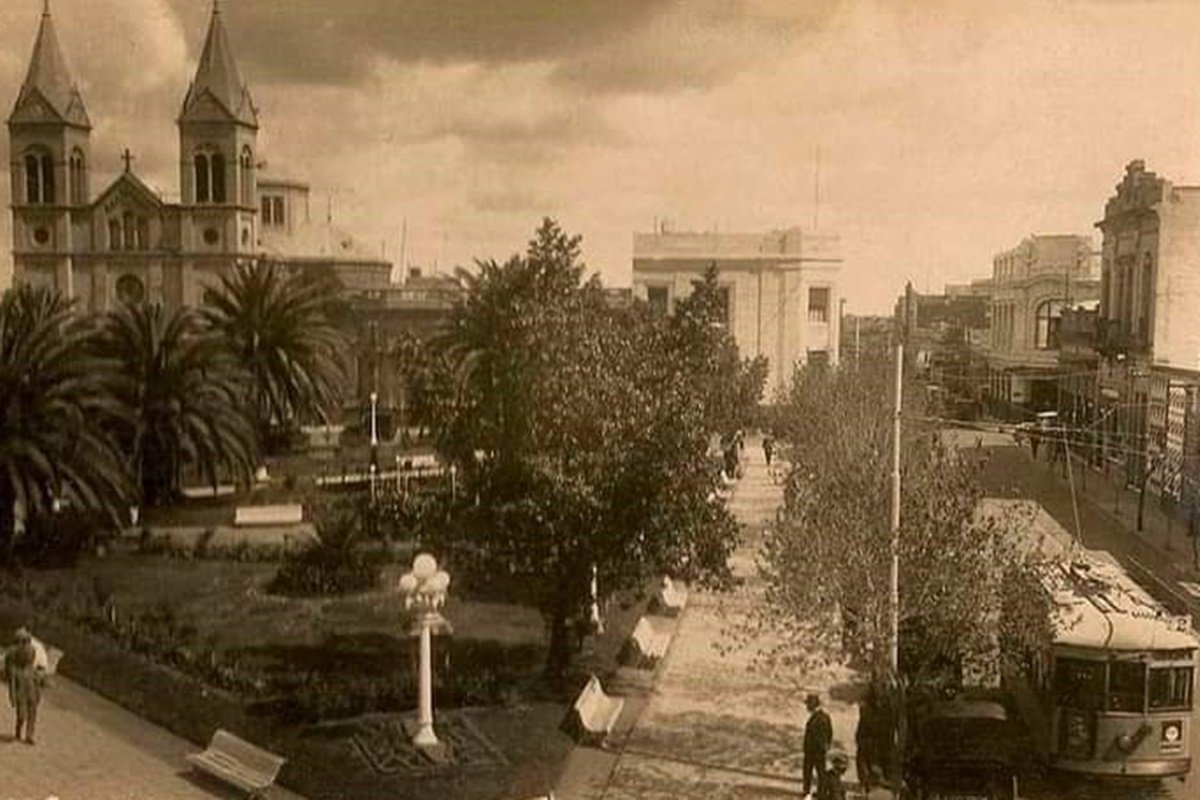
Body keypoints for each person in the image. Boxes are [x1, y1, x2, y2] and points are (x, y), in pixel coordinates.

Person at [5, 627, 45, 744]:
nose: (24, 645)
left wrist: (37, 689)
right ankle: (18, 729)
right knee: (21, 713)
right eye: (22, 641)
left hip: (30, 683)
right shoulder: (12, 655)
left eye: (26, 641)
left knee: (32, 710)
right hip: (20, 685)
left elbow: (34, 670)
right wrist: (12, 694)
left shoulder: (32, 651)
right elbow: (11, 677)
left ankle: (29, 735)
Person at [802, 692, 833, 798]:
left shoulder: (820, 718)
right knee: (817, 771)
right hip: (815, 750)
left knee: (817, 772)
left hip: (816, 750)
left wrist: (823, 746)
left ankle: (818, 793)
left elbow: (825, 734)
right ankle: (817, 792)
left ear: (813, 705)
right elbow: (829, 734)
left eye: (808, 704)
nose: (807, 707)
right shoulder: (821, 717)